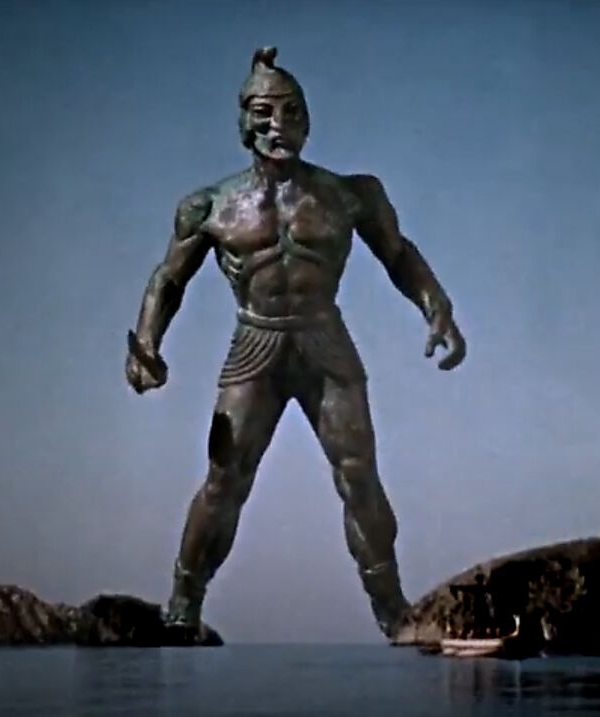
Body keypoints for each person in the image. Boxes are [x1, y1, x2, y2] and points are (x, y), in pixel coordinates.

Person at [125, 47, 466, 639]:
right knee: (225, 480)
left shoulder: (351, 194)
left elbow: (398, 254)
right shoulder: (209, 206)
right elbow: (169, 279)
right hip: (254, 344)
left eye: (290, 111)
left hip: (323, 341)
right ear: (244, 123)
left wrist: (437, 309)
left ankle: (393, 610)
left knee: (359, 475)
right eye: (263, 113)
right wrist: (148, 344)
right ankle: (183, 603)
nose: (278, 125)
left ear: (307, 119)